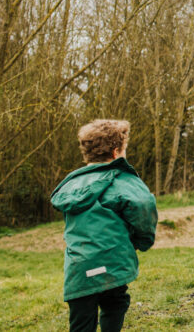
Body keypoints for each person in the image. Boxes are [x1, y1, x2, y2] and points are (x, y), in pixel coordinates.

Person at [50, 120, 157, 332]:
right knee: (115, 303)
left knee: (81, 321)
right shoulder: (124, 180)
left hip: (79, 268)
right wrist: (141, 241)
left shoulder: (71, 184)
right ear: (117, 152)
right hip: (113, 262)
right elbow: (143, 210)